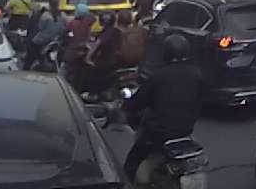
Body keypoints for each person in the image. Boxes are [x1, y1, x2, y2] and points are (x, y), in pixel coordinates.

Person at [122, 33, 204, 182]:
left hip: (157, 134)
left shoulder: (158, 76)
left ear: (166, 52)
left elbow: (137, 102)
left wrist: (126, 105)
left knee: (131, 164)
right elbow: (200, 101)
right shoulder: (197, 74)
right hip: (186, 131)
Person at [83, 12, 122, 94]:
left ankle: (92, 94)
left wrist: (87, 58)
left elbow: (97, 44)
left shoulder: (107, 33)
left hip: (105, 63)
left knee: (89, 73)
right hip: (116, 61)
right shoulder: (116, 31)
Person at [63, 3, 95, 89]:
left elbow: (68, 35)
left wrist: (70, 37)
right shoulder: (87, 24)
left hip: (73, 52)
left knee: (64, 72)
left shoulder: (72, 23)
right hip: (84, 51)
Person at [26, 2, 65, 69]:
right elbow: (63, 27)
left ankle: (28, 67)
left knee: (31, 51)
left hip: (43, 39)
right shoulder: (61, 15)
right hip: (55, 39)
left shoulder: (45, 15)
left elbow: (40, 27)